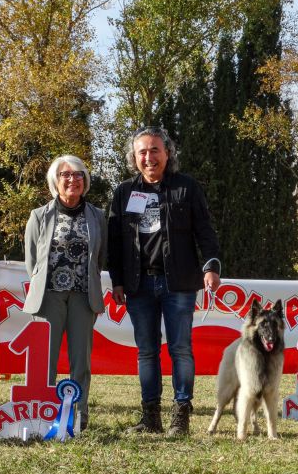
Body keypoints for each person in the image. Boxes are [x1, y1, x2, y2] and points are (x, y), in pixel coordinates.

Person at [108, 126, 221, 436]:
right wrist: (117, 281)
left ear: (168, 153)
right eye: (142, 152)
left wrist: (211, 266)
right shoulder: (123, 192)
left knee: (180, 349)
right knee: (146, 351)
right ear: (134, 158)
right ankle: (150, 418)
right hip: (138, 285)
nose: (149, 157)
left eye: (155, 150)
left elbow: (205, 232)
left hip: (179, 284)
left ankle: (180, 417)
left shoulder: (187, 187)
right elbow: (115, 242)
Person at [23, 155, 107, 429]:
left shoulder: (98, 216)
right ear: (55, 181)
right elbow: (32, 261)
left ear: (86, 180)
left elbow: (99, 258)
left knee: (80, 361)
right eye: (66, 175)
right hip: (48, 297)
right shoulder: (38, 215)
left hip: (84, 296)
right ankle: (41, 414)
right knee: (45, 360)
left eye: (79, 174)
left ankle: (78, 418)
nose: (73, 179)